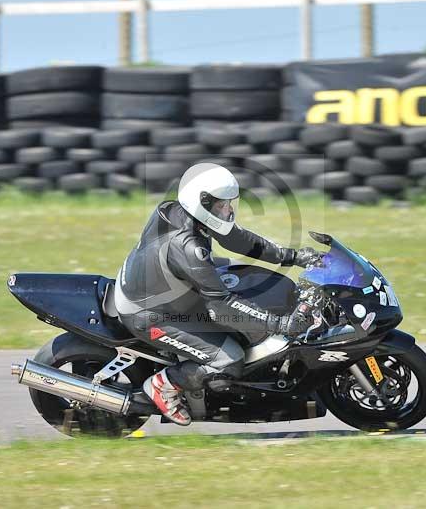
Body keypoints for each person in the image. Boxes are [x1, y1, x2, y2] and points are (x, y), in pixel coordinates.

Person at [113, 163, 324, 425]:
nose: (227, 211)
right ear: (202, 202)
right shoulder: (189, 247)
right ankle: (163, 385)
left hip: (161, 288)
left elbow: (237, 239)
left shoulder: (178, 210)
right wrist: (279, 324)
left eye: (229, 204)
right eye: (221, 206)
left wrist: (291, 256)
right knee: (229, 358)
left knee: (247, 279)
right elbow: (221, 307)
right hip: (149, 314)